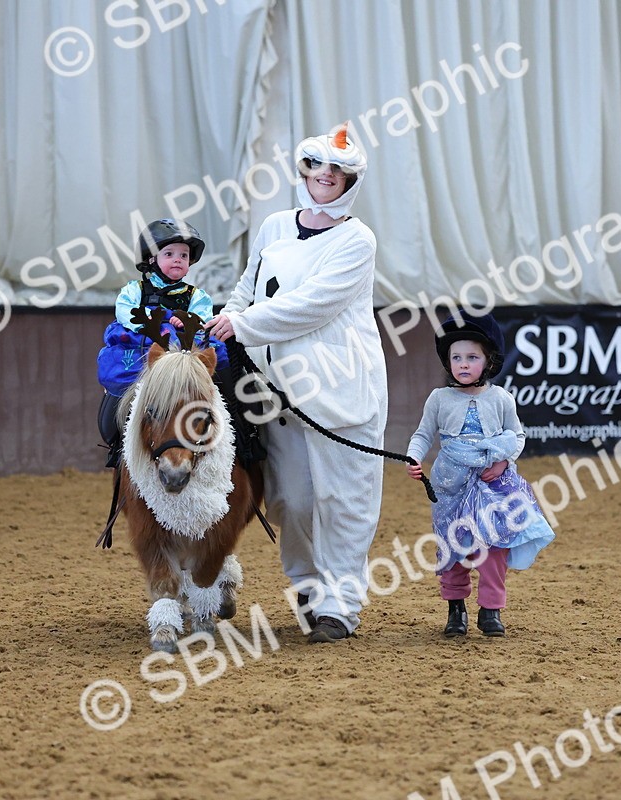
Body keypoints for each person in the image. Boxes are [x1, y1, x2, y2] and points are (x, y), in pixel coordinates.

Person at [206, 124, 387, 643]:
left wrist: (244, 324)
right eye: (318, 166)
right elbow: (247, 287)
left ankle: (341, 606)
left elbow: (314, 306)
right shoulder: (274, 225)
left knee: (343, 499)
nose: (326, 176)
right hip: (272, 387)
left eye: (338, 170)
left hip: (338, 386)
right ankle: (307, 588)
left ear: (351, 180)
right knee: (292, 499)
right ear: (305, 169)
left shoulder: (357, 239)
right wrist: (225, 318)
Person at [406, 311, 555, 638]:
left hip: (494, 485)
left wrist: (502, 463)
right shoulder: (439, 399)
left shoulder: (501, 398)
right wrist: (413, 457)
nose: (462, 363)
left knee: (493, 546)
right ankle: (455, 609)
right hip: (451, 485)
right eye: (456, 357)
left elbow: (517, 436)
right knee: (454, 547)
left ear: (488, 361)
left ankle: (491, 609)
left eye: (472, 357)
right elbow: (422, 434)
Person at [96, 218, 220, 467]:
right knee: (118, 392)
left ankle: (244, 443)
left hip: (183, 353)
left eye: (184, 255)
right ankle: (118, 443)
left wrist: (186, 320)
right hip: (143, 350)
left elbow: (202, 318)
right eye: (170, 253)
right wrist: (154, 323)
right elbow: (125, 312)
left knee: (225, 377)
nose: (178, 259)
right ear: (151, 259)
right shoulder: (134, 290)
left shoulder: (197, 296)